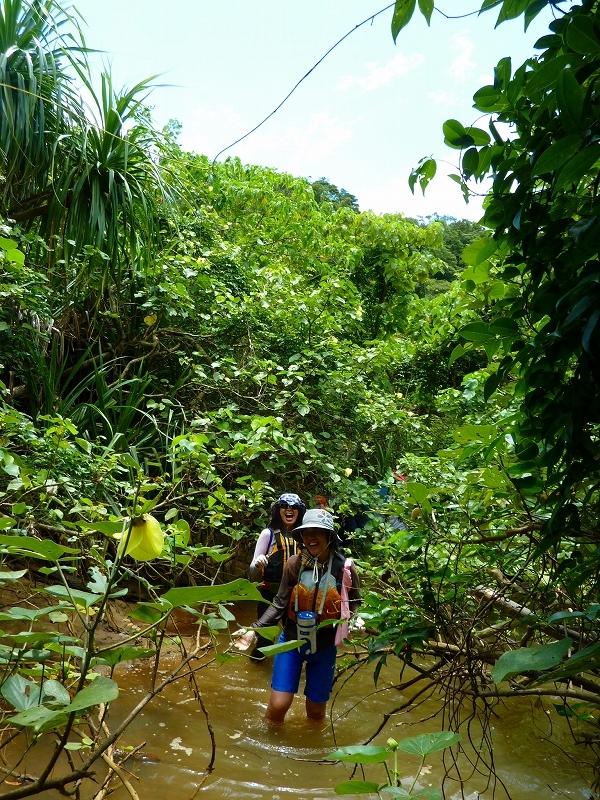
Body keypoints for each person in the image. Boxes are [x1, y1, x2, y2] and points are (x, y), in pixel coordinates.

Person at [236, 508, 361, 723]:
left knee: (316, 712)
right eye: (307, 533)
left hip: (324, 647)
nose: (311, 538)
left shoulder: (344, 568)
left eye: (317, 532)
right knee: (278, 706)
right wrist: (253, 630)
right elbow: (279, 603)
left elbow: (355, 602)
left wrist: (358, 620)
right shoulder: (294, 564)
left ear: (329, 536)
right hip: (291, 642)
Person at [248, 492, 306, 660]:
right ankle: (257, 666)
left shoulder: (304, 536)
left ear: (299, 511)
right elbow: (252, 570)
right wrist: (258, 564)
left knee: (294, 639)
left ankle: (287, 668)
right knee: (264, 641)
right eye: (284, 506)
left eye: (294, 507)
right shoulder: (268, 534)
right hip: (270, 595)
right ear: (278, 510)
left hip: (295, 595)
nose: (289, 509)